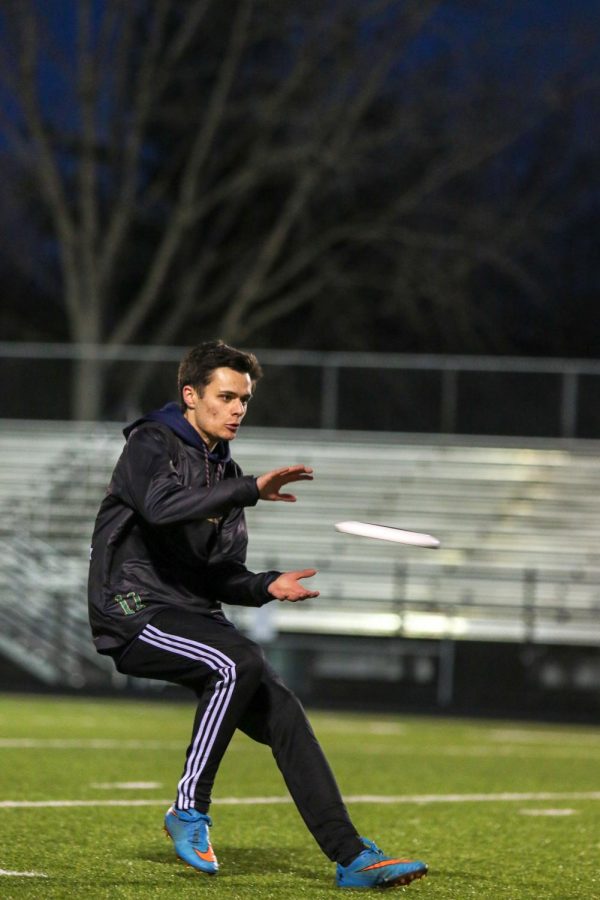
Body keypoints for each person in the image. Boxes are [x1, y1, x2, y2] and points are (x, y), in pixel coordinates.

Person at [88, 340, 427, 890]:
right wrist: (245, 490)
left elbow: (219, 576)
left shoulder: (226, 470)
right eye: (226, 397)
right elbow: (159, 506)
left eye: (244, 399)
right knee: (237, 660)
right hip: (131, 609)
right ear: (191, 396)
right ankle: (188, 809)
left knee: (284, 713)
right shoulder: (152, 443)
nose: (238, 409)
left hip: (190, 614)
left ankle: (351, 856)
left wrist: (267, 584)